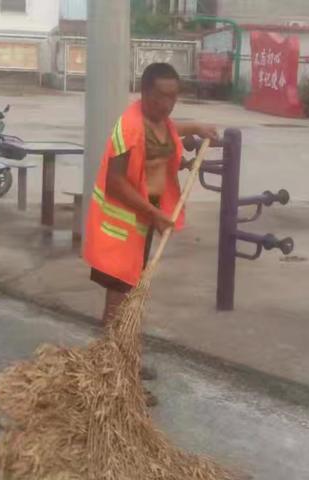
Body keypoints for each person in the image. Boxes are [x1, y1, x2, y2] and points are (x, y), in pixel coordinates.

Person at [84, 63, 218, 404]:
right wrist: (156, 214)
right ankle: (116, 380)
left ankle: (124, 362)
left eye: (174, 97)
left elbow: (169, 128)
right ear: (144, 93)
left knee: (131, 300)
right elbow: (116, 183)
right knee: (119, 302)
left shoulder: (159, 121)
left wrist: (198, 127)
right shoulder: (128, 128)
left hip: (140, 226)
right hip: (118, 228)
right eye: (161, 97)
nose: (168, 105)